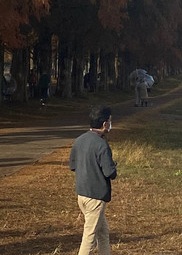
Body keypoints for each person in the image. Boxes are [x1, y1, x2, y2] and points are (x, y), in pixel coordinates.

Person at [69, 106, 117, 255]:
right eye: (109, 121)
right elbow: (110, 173)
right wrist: (114, 167)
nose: (110, 124)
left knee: (103, 231)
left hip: (82, 194)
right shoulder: (101, 144)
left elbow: (73, 165)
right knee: (89, 237)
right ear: (104, 124)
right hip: (95, 197)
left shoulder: (79, 140)